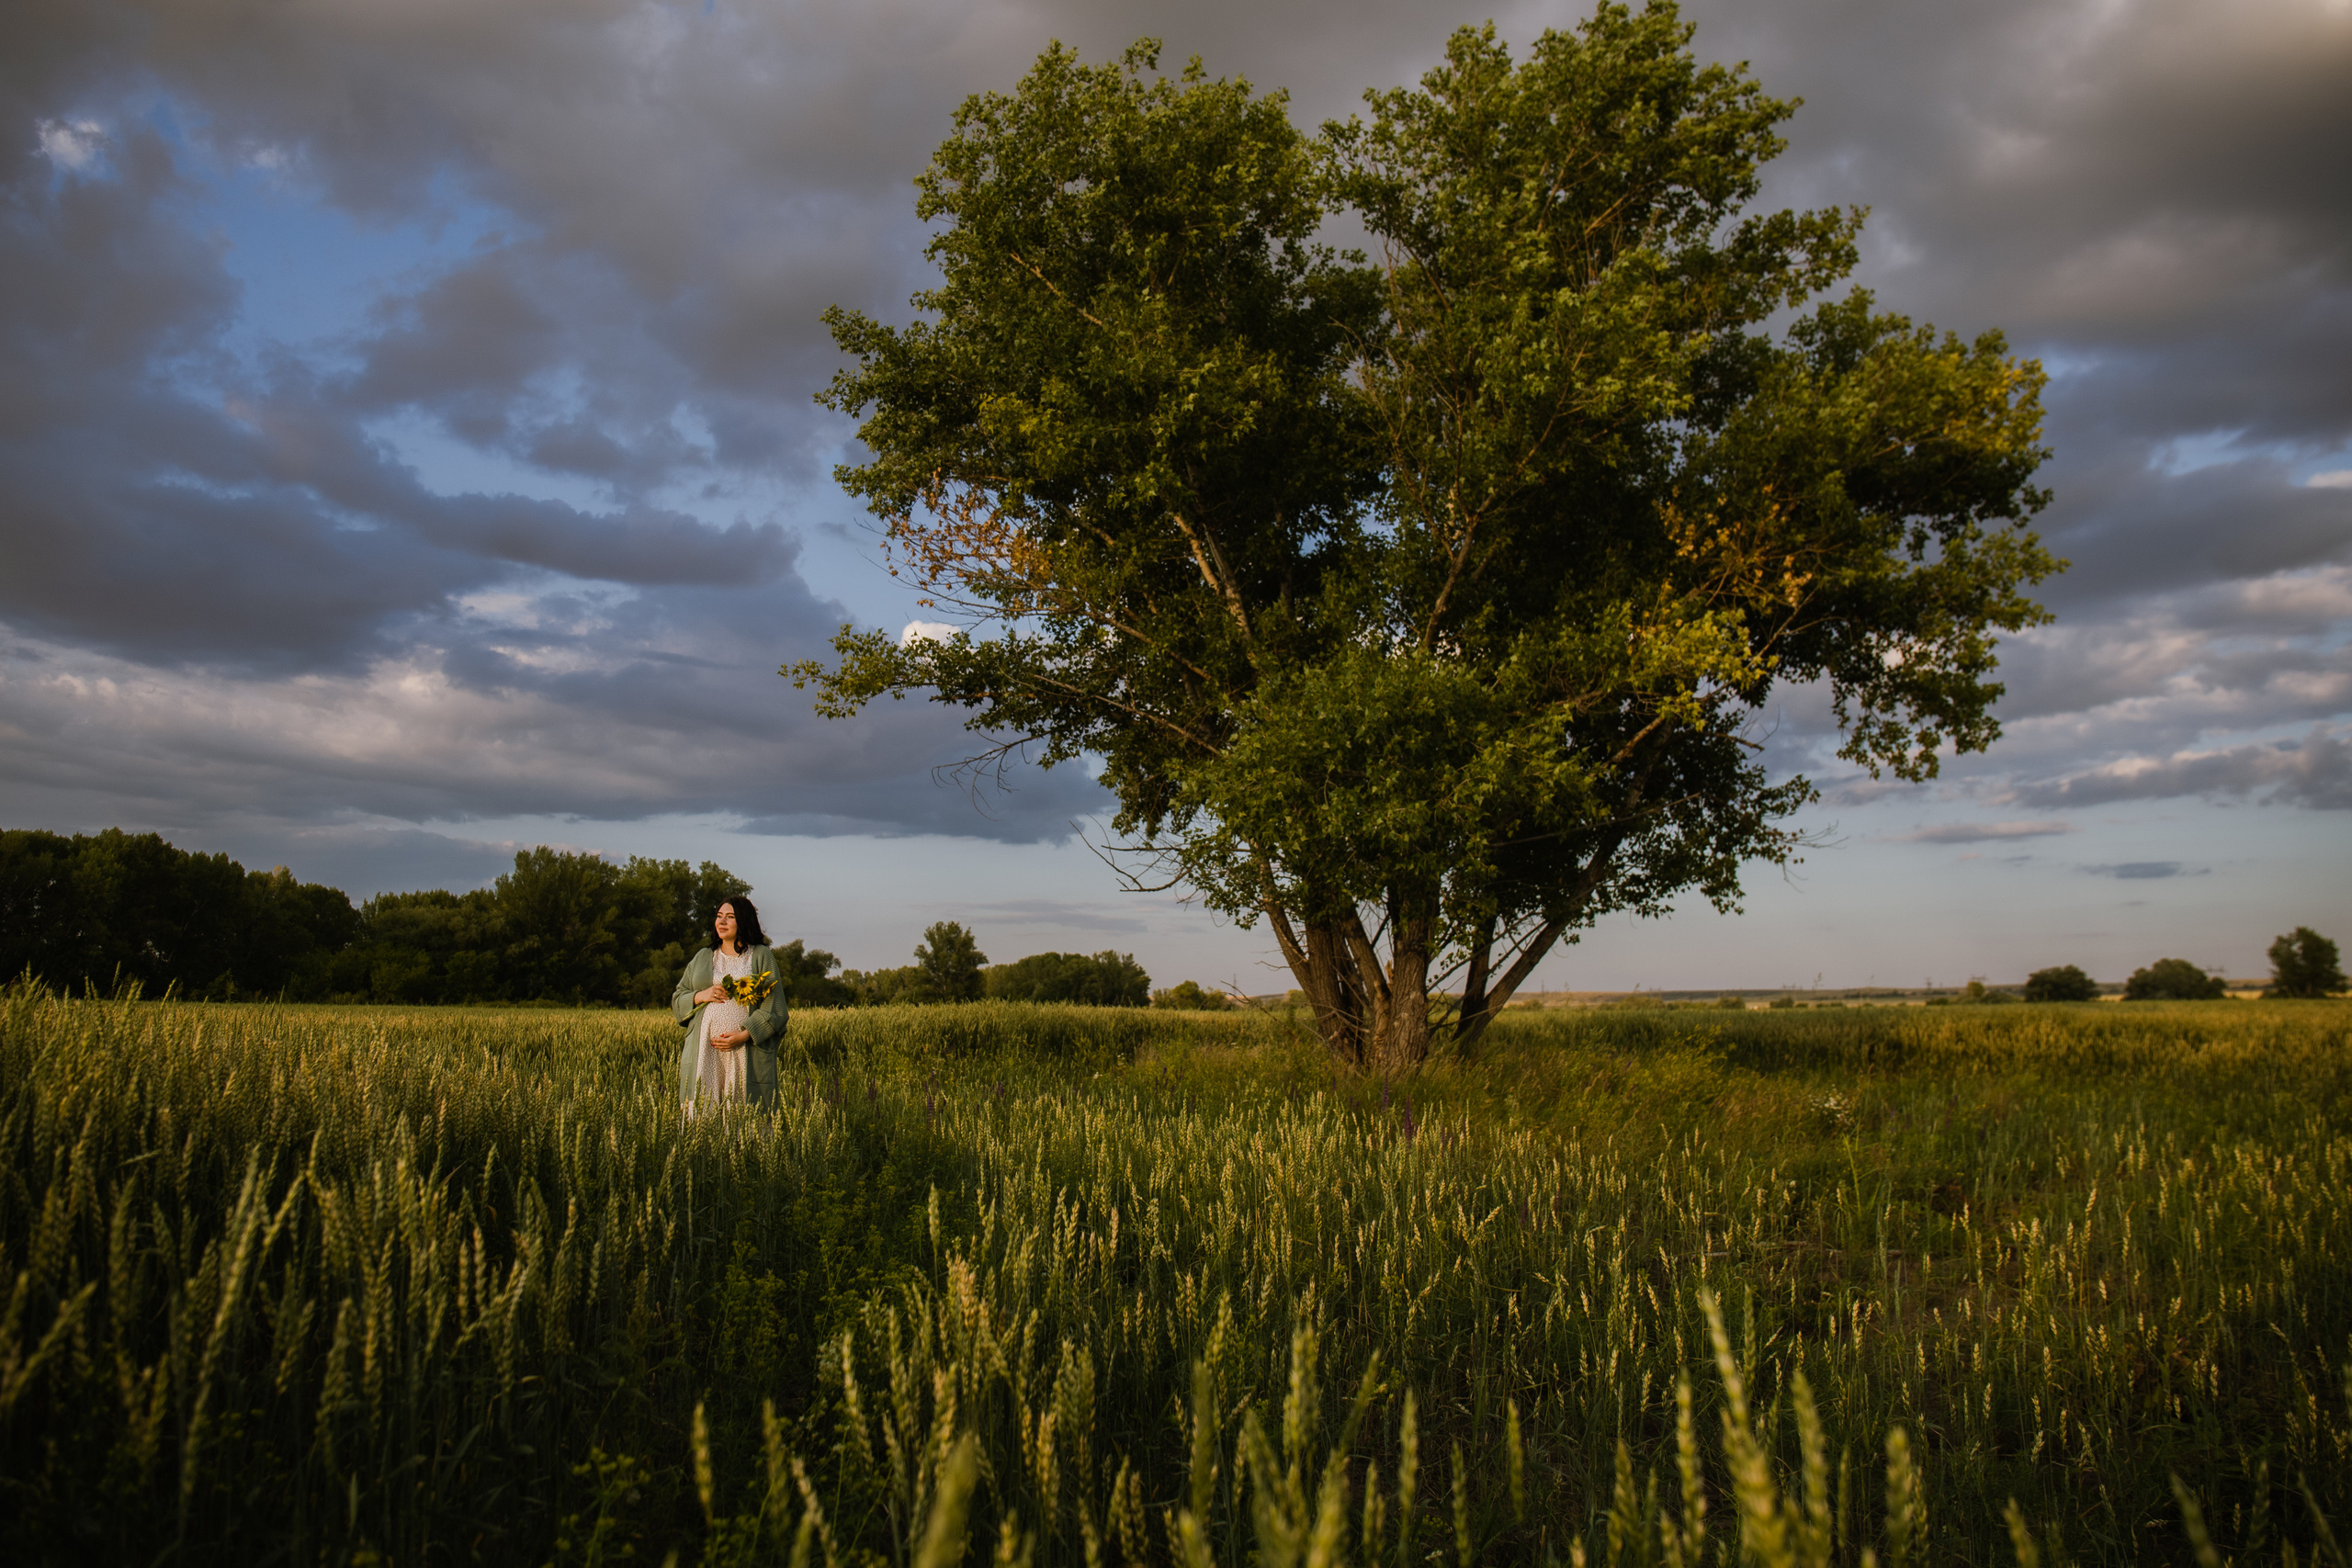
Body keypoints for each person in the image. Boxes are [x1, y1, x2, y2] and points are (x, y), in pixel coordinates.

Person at [672, 897, 787, 1111]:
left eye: (730, 917)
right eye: (719, 916)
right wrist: (701, 995)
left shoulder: (761, 955)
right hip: (706, 1049)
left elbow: (775, 1007)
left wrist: (745, 1035)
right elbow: (678, 998)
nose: (722, 922)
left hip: (743, 1049)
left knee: (744, 1110)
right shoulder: (704, 956)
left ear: (743, 920)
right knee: (704, 1106)